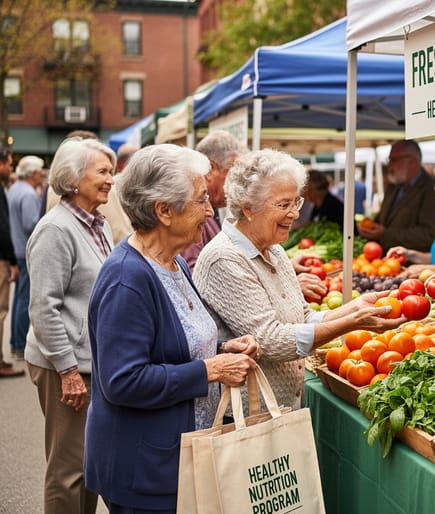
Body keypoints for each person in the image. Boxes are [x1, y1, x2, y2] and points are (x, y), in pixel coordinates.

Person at [84, 144, 259, 513]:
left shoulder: (173, 260)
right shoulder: (126, 279)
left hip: (172, 459)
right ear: (163, 210)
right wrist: (210, 370)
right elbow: (122, 381)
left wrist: (221, 351)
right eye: (201, 201)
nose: (211, 211)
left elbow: (176, 345)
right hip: (143, 471)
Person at [193, 149, 406, 411]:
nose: (294, 214)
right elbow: (270, 341)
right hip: (245, 417)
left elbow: (304, 318)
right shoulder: (224, 259)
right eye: (284, 205)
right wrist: (351, 323)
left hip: (281, 409)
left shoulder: (275, 251)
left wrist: (355, 307)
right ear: (248, 208)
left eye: (297, 203)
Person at [23, 138, 114, 514]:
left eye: (112, 170)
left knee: (89, 463)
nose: (112, 179)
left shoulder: (99, 225)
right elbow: (43, 308)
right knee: (67, 470)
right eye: (103, 171)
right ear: (74, 179)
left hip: (89, 362)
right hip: (65, 366)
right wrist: (68, 370)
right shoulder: (55, 230)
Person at [356, 140, 435, 252]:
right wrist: (370, 227)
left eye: (394, 160)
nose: (389, 165)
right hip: (385, 260)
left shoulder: (432, 189)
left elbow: (429, 234)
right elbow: (383, 220)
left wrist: (384, 234)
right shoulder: (394, 186)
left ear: (412, 162)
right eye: (389, 160)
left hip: (413, 264)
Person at [180, 130, 248, 270]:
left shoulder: (213, 208)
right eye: (233, 174)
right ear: (211, 169)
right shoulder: (192, 212)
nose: (237, 183)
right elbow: (193, 270)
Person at [8, 155, 44, 360]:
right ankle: (20, 343)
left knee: (18, 298)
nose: (41, 175)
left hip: (16, 248)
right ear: (32, 174)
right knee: (24, 298)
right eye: (39, 172)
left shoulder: (14, 189)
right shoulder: (29, 194)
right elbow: (31, 223)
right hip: (24, 250)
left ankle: (15, 341)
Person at [0, 148, 21, 376]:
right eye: (8, 164)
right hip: (1, 257)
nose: (9, 169)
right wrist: (12, 260)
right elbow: (3, 228)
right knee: (0, 309)